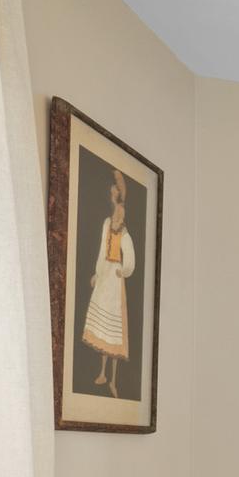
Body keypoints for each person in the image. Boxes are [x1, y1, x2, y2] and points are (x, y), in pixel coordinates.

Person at [82, 168, 136, 398]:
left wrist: (122, 271)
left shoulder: (124, 235)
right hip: (105, 275)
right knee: (102, 327)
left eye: (121, 214)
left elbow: (130, 259)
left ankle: (114, 379)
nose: (118, 217)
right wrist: (96, 273)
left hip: (115, 279)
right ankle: (103, 373)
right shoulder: (106, 225)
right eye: (116, 213)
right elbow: (100, 251)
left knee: (114, 332)